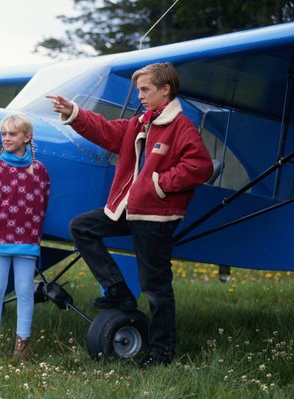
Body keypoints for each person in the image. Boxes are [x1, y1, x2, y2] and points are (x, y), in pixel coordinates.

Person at [47, 62, 213, 369]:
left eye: (145, 89)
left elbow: (200, 166)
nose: (140, 96)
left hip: (155, 215)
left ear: (166, 90)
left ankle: (162, 353)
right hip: (129, 208)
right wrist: (75, 112)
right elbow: (107, 131)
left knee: (155, 286)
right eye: (138, 90)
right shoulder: (140, 123)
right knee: (82, 227)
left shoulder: (182, 127)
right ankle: (118, 292)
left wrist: (158, 184)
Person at [0, 113, 51, 362]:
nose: (6, 138)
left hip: (27, 239)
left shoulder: (39, 171)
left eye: (12, 134)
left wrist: (29, 226)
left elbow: (43, 203)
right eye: (3, 134)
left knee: (25, 290)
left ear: (26, 137)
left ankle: (22, 345)